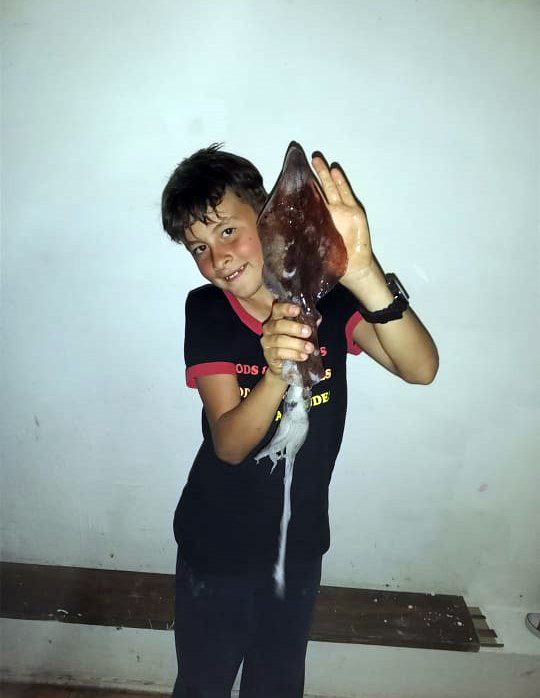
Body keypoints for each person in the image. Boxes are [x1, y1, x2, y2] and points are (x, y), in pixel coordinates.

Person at [161, 144, 439, 698]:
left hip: (299, 545)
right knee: (203, 682)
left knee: (278, 682)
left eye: (227, 231)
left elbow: (421, 368)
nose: (218, 258)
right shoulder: (208, 311)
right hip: (216, 547)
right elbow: (229, 445)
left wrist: (364, 272)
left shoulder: (329, 302)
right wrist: (273, 373)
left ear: (267, 217)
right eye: (199, 247)